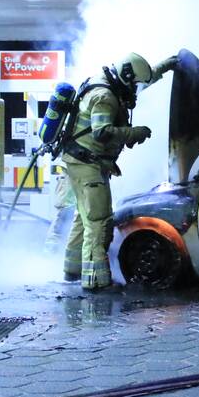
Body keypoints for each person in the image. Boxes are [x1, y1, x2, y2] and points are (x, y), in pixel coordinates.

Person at [62, 52, 178, 289]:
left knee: (83, 217)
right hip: (88, 164)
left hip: (81, 161)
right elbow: (101, 131)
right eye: (134, 83)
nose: (136, 89)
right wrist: (133, 133)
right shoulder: (105, 96)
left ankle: (72, 269)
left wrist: (165, 66)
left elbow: (141, 81)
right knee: (99, 221)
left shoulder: (113, 83)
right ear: (125, 77)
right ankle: (96, 281)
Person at [45, 162, 76, 259]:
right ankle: (51, 259)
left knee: (57, 234)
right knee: (58, 233)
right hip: (68, 205)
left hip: (68, 205)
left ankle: (50, 259)